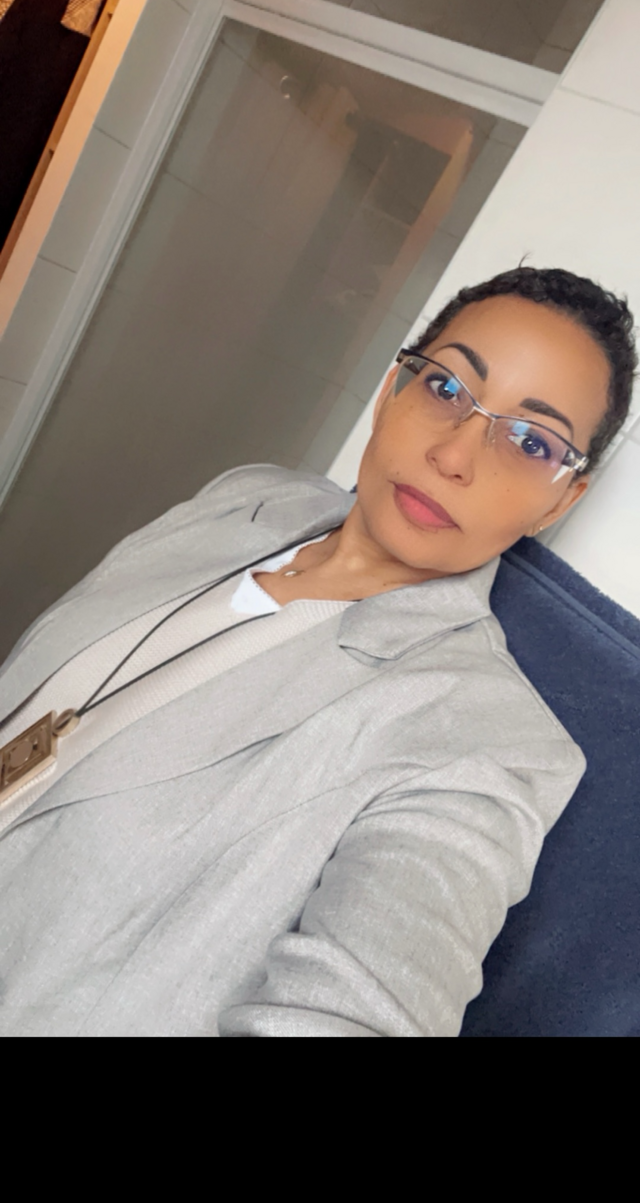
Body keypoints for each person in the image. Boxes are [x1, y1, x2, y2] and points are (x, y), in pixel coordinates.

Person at [0, 266, 636, 1038]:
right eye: (446, 388)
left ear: (562, 498)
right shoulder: (247, 497)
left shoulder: (484, 742)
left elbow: (359, 1006)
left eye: (532, 441)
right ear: (392, 388)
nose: (456, 455)